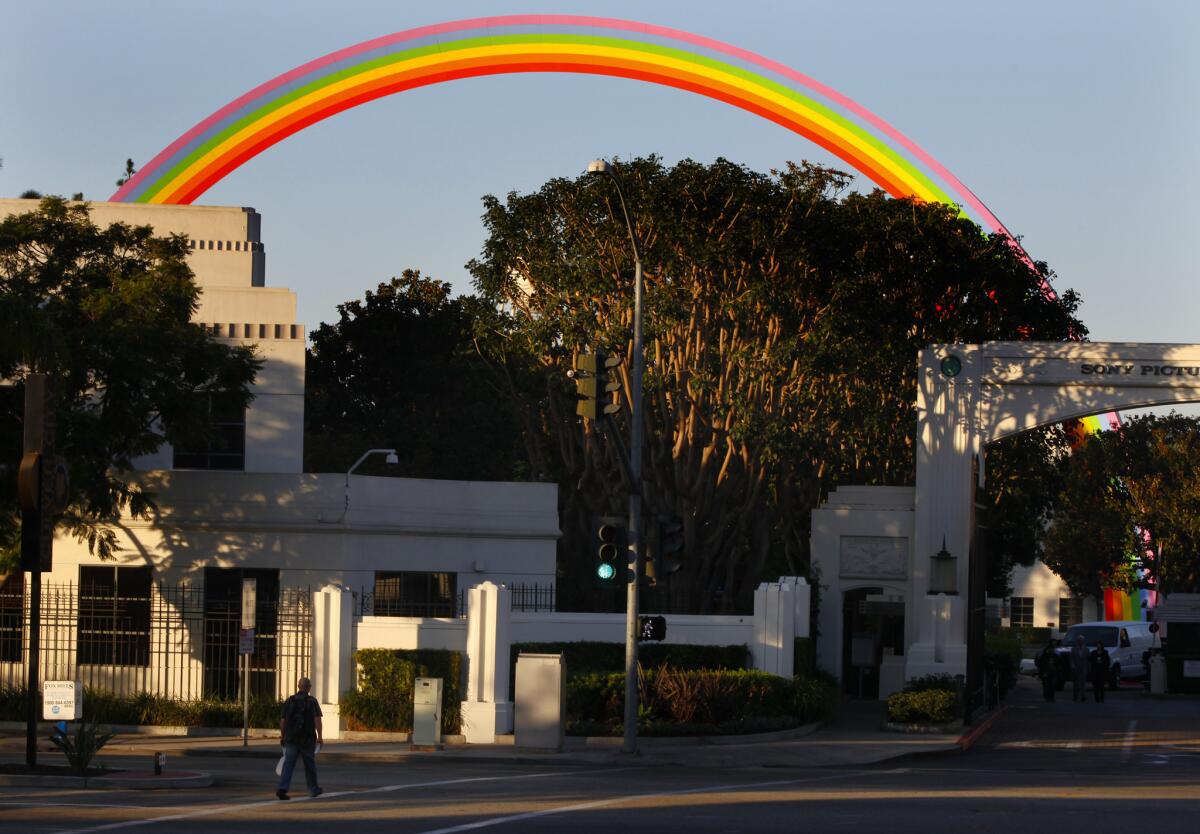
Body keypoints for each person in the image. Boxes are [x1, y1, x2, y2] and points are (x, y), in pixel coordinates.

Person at [277, 676, 323, 799]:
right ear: (309, 688)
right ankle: (313, 789)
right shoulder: (312, 701)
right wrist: (320, 736)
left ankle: (282, 788)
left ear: (298, 686)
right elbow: (317, 720)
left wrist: (283, 736)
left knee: (288, 764)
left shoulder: (290, 701)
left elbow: (283, 720)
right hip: (307, 739)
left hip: (291, 738)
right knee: (309, 764)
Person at [1070, 634, 1089, 702]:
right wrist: (1072, 665)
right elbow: (1071, 658)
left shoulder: (1086, 649)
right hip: (1076, 668)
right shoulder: (1073, 649)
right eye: (1079, 640)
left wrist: (1088, 667)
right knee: (1076, 683)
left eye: (1081, 640)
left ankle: (1083, 696)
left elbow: (1088, 659)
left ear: (1083, 641)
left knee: (1083, 683)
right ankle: (1075, 696)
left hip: (1083, 668)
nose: (1080, 642)